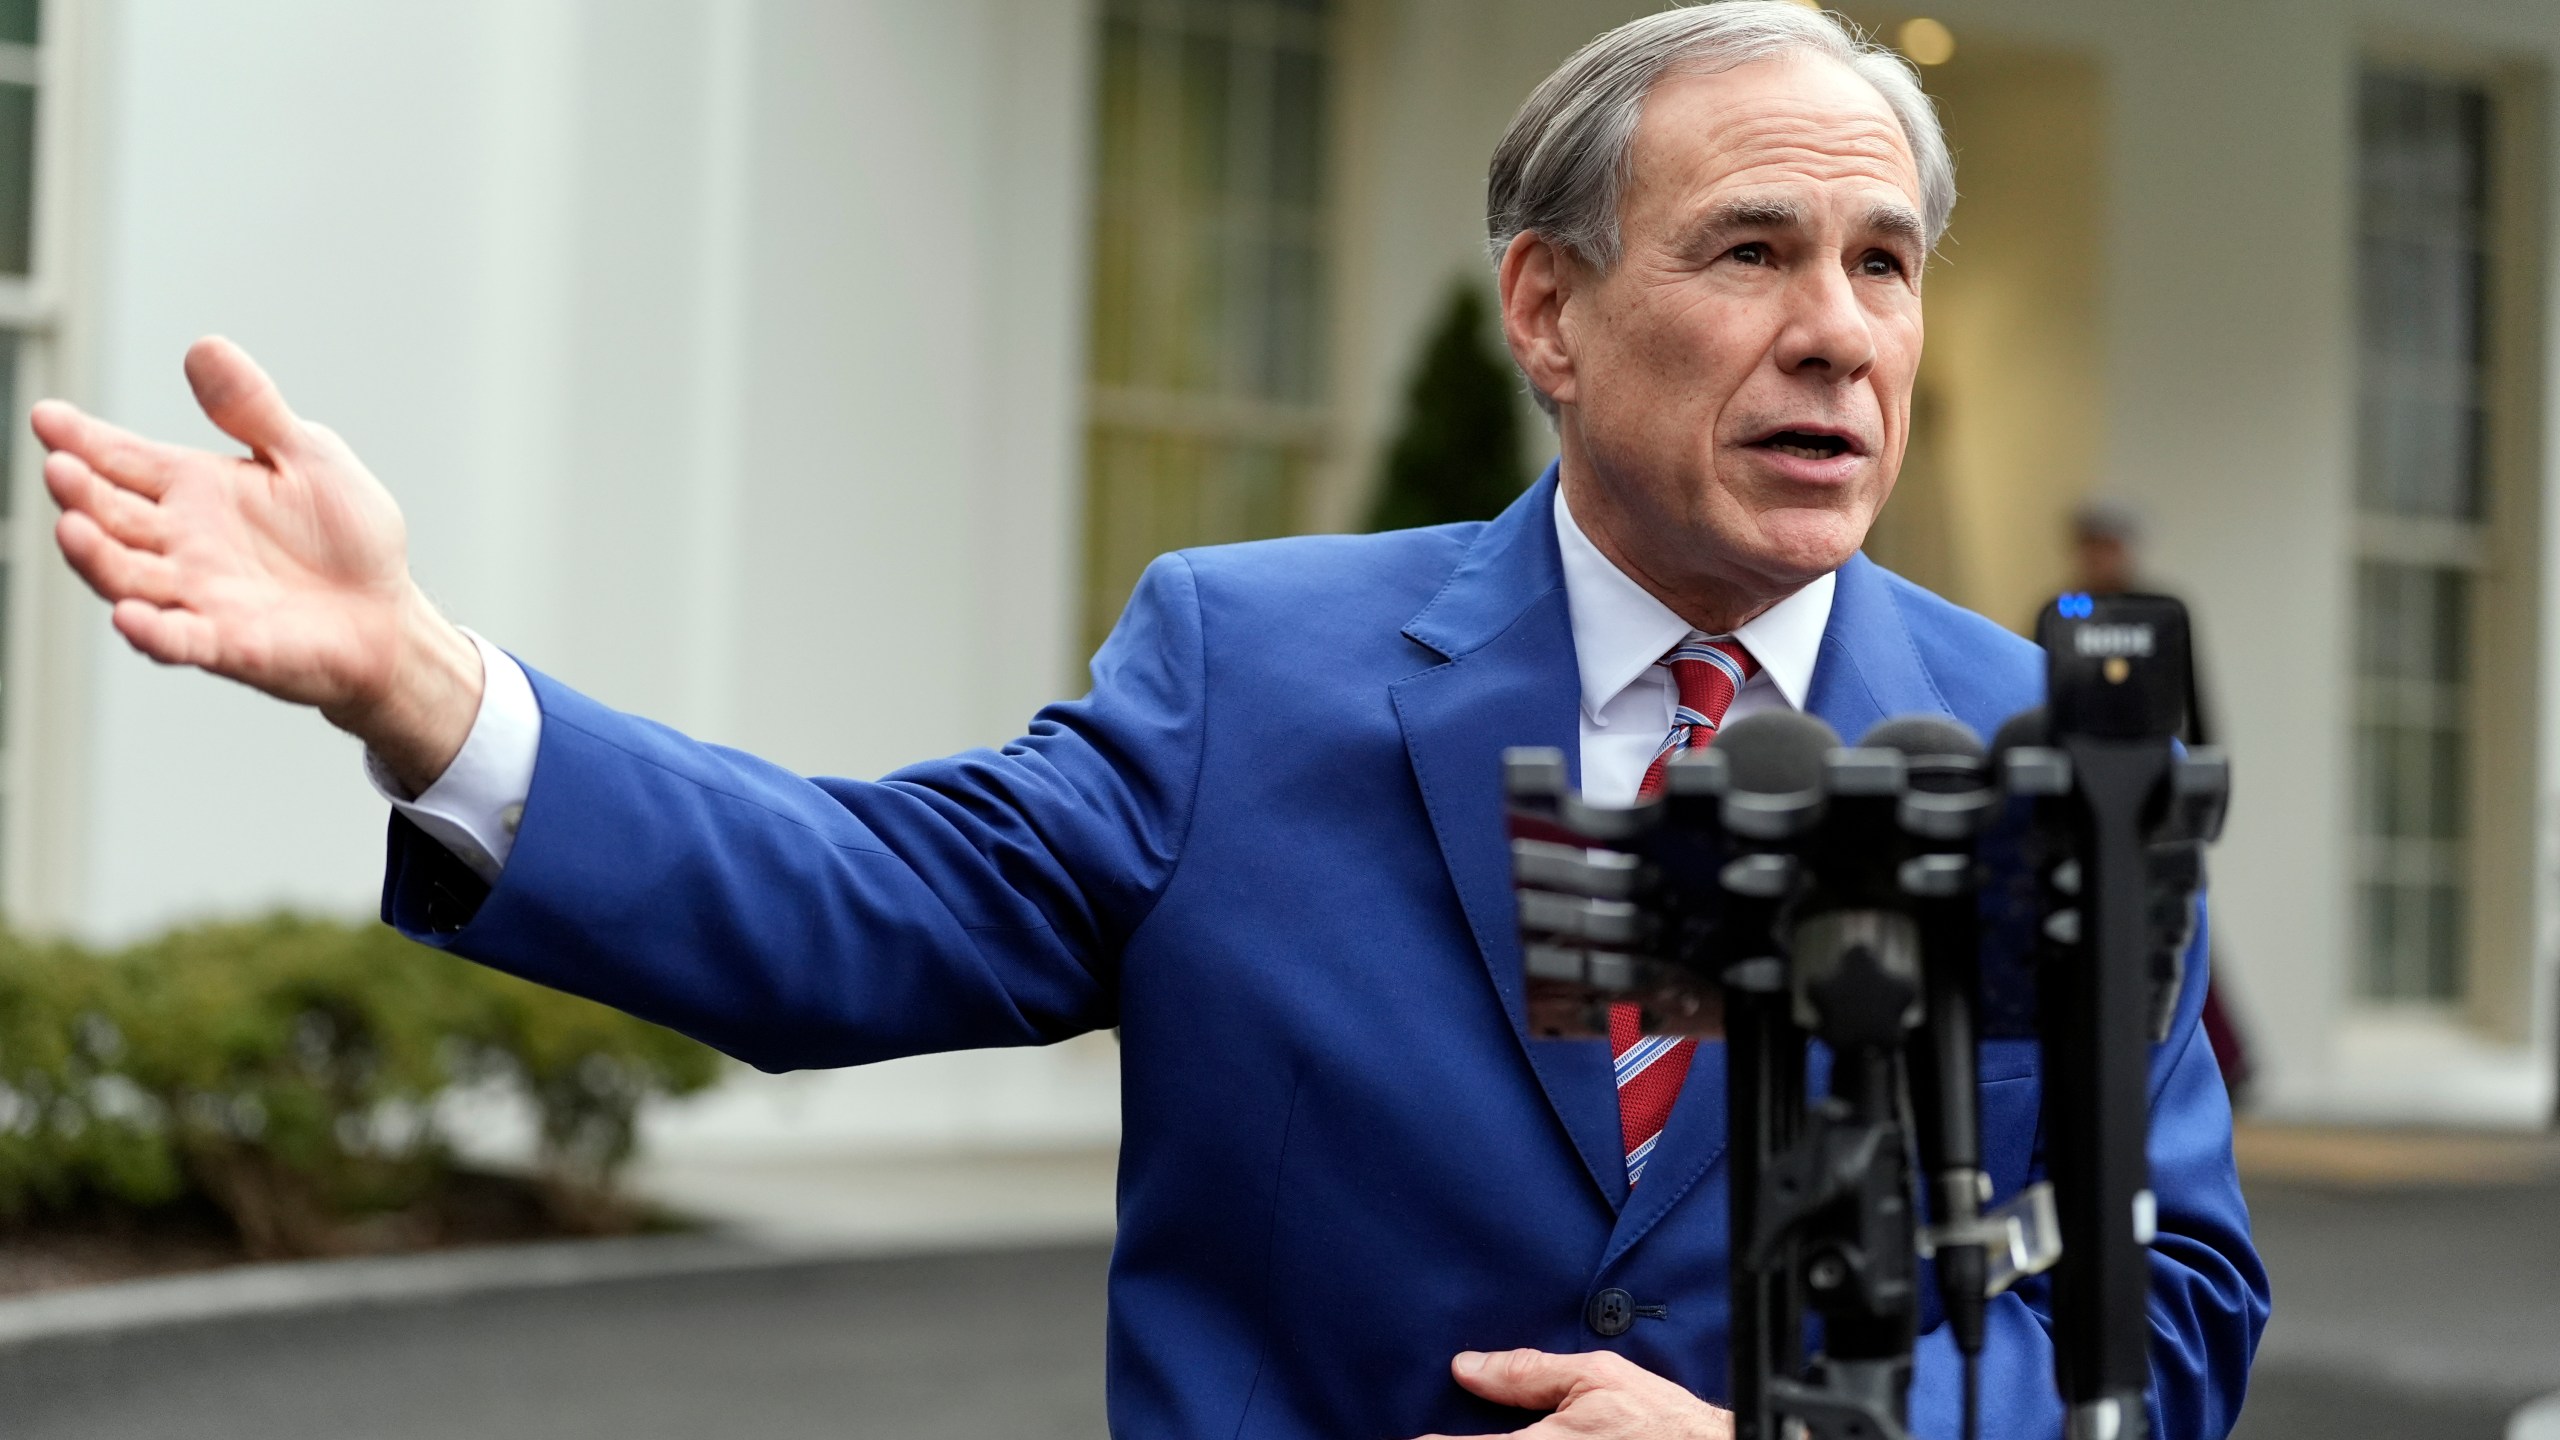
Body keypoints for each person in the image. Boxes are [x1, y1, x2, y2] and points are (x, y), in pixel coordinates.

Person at [33, 5, 2267, 1436]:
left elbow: (2159, 1324)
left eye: (1878, 264)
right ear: (1550, 313)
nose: (1833, 332)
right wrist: (425, 686)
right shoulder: (1248, 666)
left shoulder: (2030, 753)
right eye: (1751, 250)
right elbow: (851, 918)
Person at [2067, 498, 2257, 1106]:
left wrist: (2198, 778)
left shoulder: (2163, 611)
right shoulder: (2067, 611)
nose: (2101, 557)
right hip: (2087, 787)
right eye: (2092, 545)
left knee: (2174, 911)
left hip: (2155, 784)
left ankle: (2218, 1057)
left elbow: (2194, 698)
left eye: (2110, 544)